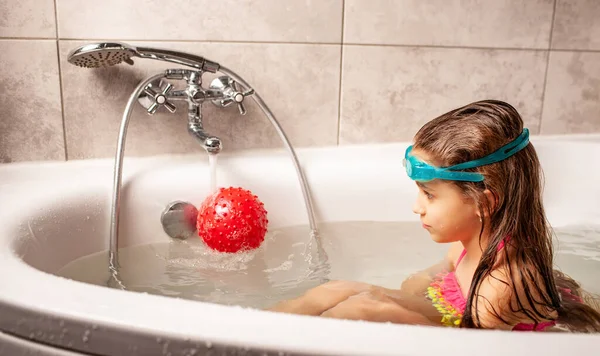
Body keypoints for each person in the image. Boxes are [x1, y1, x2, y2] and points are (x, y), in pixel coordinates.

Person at [268, 100, 600, 332]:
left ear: (485, 203)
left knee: (362, 309)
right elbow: (431, 277)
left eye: (429, 194)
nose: (417, 206)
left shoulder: (502, 286)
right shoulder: (468, 245)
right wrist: (416, 286)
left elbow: (462, 347)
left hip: (479, 331)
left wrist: (391, 310)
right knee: (334, 290)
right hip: (463, 313)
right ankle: (257, 329)